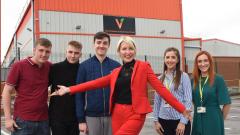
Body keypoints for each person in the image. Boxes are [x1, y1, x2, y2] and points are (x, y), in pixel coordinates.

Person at [51, 36, 192, 135]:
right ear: (119, 52)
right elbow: (94, 83)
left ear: (135, 50)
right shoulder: (116, 71)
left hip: (135, 113)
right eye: (124, 49)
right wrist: (69, 89)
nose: (127, 52)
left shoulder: (144, 67)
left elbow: (161, 90)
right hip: (117, 112)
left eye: (130, 48)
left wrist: (182, 109)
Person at [1, 38, 52, 135]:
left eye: (47, 51)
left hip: (44, 121)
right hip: (23, 121)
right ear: (34, 50)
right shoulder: (19, 66)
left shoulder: (49, 67)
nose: (44, 54)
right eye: (41, 50)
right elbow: (6, 91)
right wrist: (8, 119)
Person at [75, 32, 121, 135]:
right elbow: (79, 95)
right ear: (94, 44)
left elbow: (120, 93)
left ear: (108, 45)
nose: (101, 45)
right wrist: (81, 120)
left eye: (105, 43)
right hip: (91, 117)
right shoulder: (84, 66)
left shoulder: (116, 66)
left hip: (112, 115)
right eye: (98, 42)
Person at [153, 47, 192, 135]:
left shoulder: (184, 77)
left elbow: (188, 100)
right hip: (163, 121)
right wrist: (156, 121)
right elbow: (157, 102)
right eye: (167, 57)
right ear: (164, 59)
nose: (170, 60)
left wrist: (183, 122)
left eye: (173, 57)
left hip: (179, 120)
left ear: (177, 60)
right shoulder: (159, 79)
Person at [191, 51, 231, 135]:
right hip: (198, 118)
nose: (203, 64)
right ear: (196, 64)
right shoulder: (193, 80)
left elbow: (227, 103)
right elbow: (194, 101)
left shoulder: (218, 79)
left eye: (205, 60)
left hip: (213, 119)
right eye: (199, 61)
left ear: (210, 62)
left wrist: (219, 120)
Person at [48, 41, 82, 135]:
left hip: (75, 117)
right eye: (70, 52)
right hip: (57, 117)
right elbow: (42, 85)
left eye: (76, 53)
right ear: (66, 52)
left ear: (81, 54)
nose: (73, 55)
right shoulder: (55, 68)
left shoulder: (83, 69)